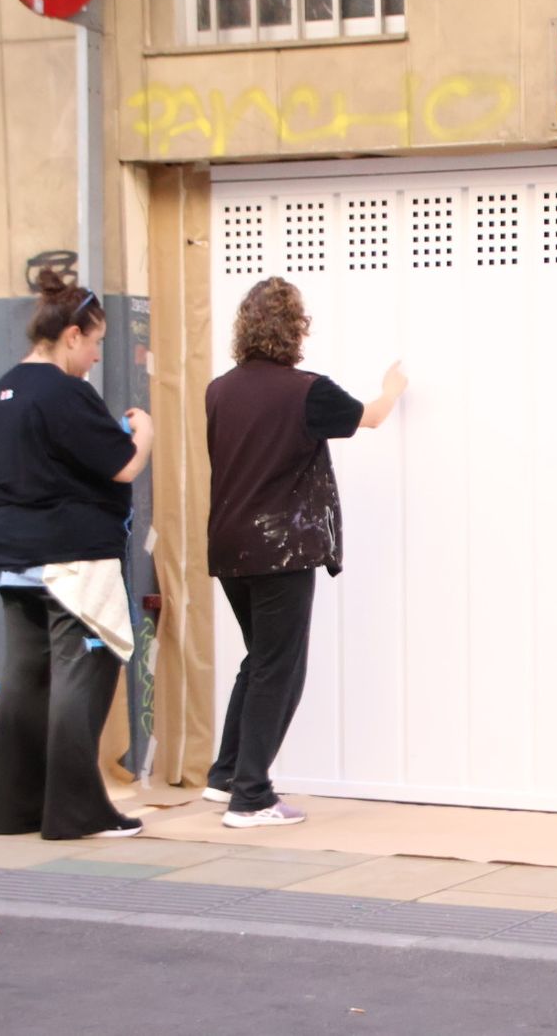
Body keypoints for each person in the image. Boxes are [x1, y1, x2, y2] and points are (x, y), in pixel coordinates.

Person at [203, 276, 406, 828]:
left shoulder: (218, 390)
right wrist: (392, 388)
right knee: (280, 669)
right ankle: (251, 798)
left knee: (260, 661)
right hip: (280, 550)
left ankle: (225, 776)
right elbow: (369, 416)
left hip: (228, 548)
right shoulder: (306, 390)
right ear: (296, 329)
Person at [0, 269, 153, 840]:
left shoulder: (2, 390)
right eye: (96, 342)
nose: (97, 356)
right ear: (72, 335)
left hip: (10, 555)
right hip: (72, 558)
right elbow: (122, 464)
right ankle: (76, 812)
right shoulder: (65, 391)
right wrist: (141, 430)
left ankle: (16, 809)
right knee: (83, 671)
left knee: (27, 675)